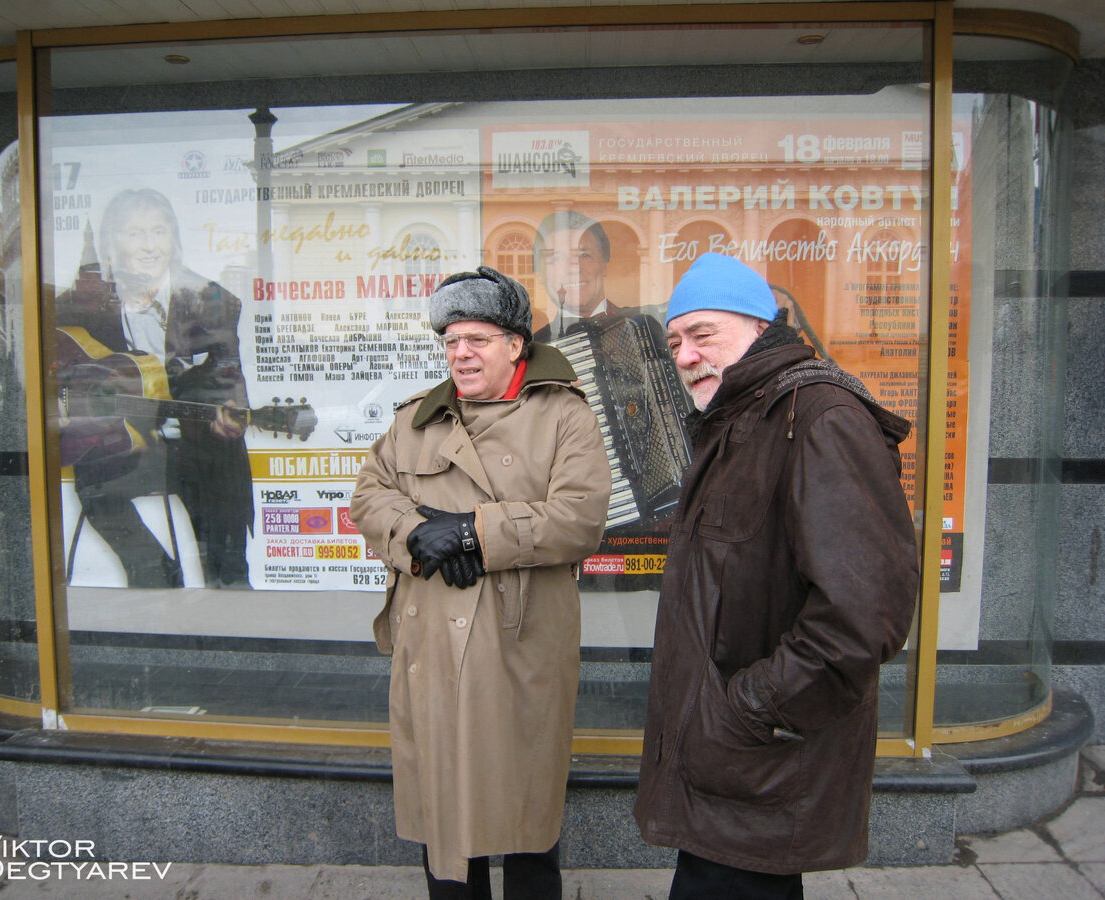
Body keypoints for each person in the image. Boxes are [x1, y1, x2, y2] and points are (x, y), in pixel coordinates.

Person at [633, 253, 919, 898]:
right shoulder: (740, 418)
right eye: (675, 340)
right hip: (729, 754)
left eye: (704, 334)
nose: (684, 355)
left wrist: (754, 709)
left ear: (762, 329)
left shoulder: (818, 416)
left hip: (759, 751)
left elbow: (863, 611)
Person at [350, 266, 611, 898]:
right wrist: (417, 534)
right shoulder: (417, 417)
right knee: (446, 814)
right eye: (450, 341)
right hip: (431, 645)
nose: (460, 353)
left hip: (517, 644)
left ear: (516, 344)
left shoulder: (564, 415)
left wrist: (472, 534)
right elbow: (368, 494)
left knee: (523, 811)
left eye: (478, 339)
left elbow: (579, 519)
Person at [56, 187, 253, 588]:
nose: (149, 246)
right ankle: (154, 574)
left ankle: (229, 586)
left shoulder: (212, 301)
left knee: (219, 485)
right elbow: (48, 343)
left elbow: (227, 371)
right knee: (94, 482)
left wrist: (231, 411)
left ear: (174, 240)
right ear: (113, 244)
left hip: (195, 442)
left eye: (159, 232)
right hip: (125, 443)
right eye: (135, 234)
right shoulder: (85, 303)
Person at [531, 210, 624, 341]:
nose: (573, 269)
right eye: (557, 259)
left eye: (584, 255)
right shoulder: (536, 347)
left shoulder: (640, 324)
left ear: (604, 266)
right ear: (540, 274)